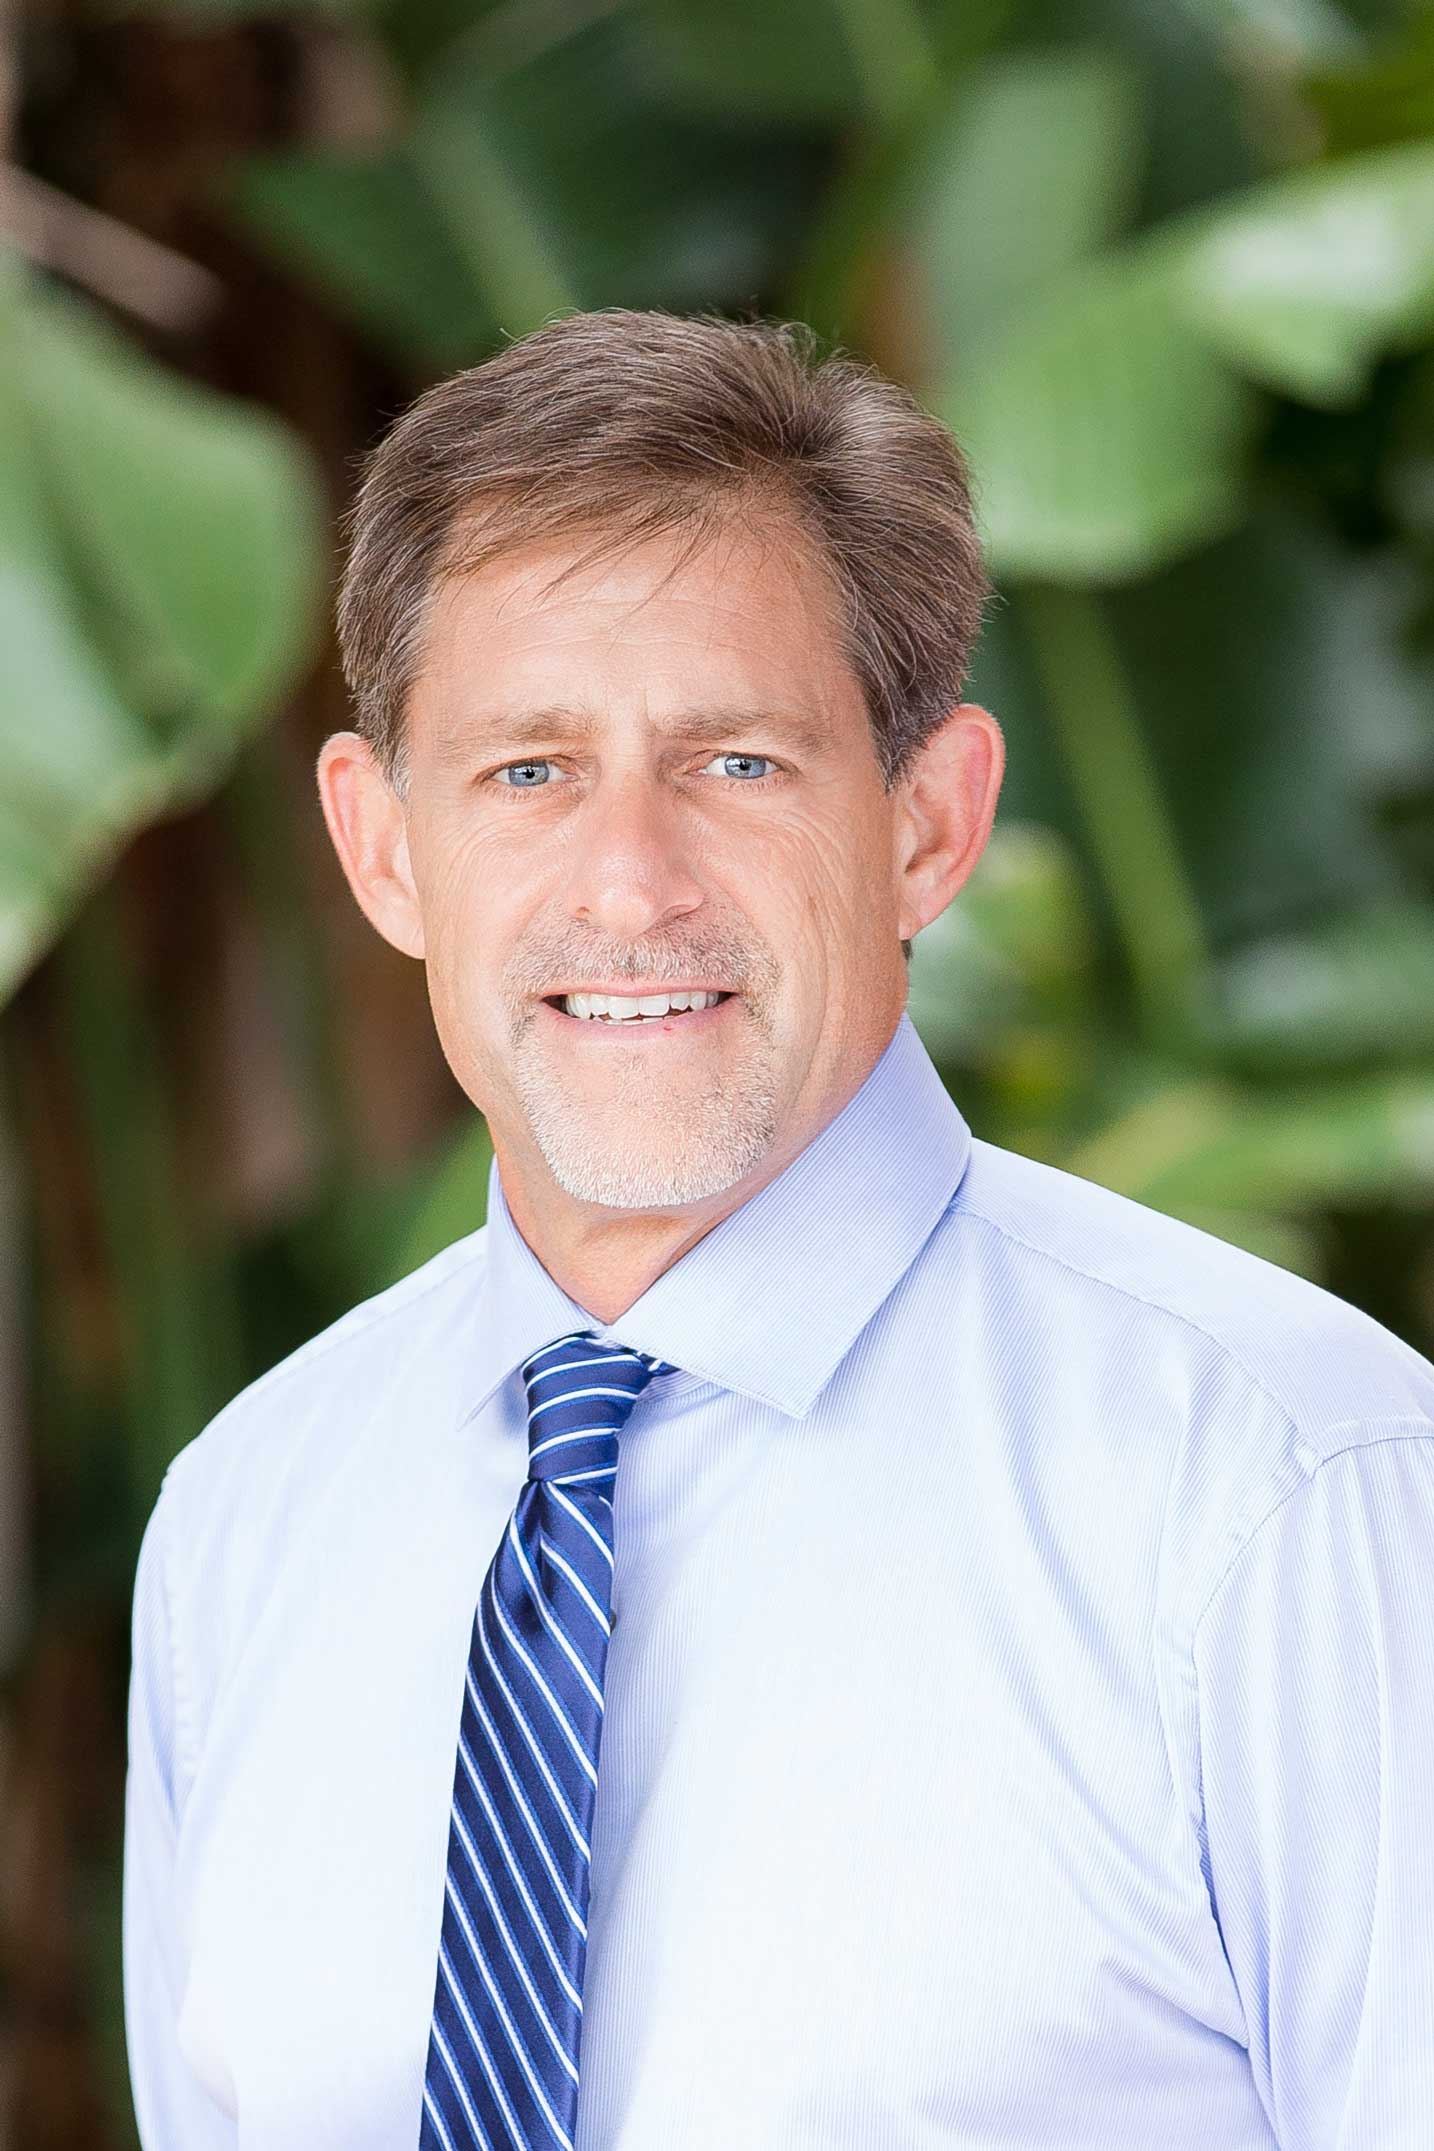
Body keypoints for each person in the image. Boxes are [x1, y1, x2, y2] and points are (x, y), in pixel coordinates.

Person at [122, 308, 1434, 2151]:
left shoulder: (1284, 1492)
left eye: (737, 762)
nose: (628, 885)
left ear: (927, 825)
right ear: (384, 849)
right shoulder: (246, 1525)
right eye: (526, 770)